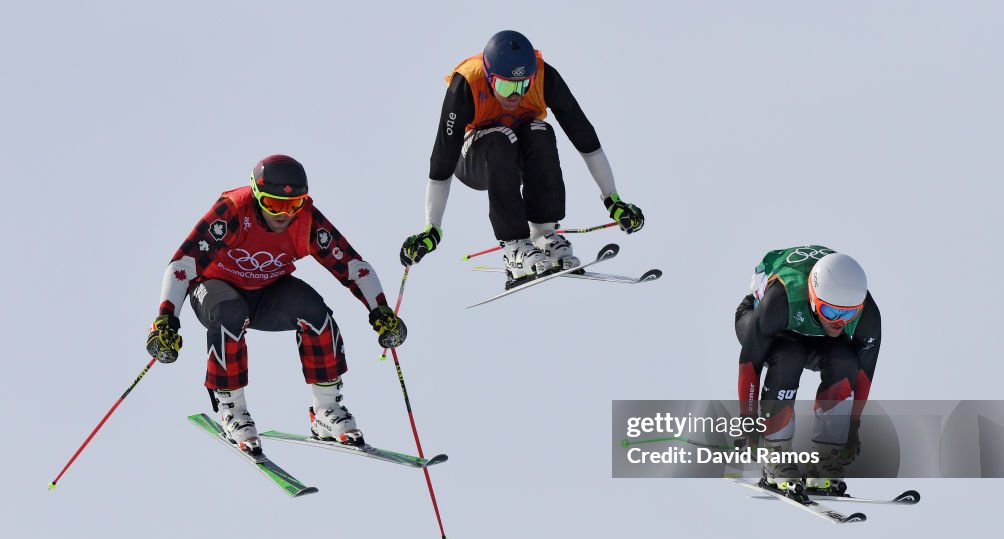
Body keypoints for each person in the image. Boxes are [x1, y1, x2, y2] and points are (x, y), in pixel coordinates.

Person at [146, 155, 407, 455]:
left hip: (266, 291)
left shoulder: (307, 221)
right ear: (257, 196)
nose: (284, 214)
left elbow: (352, 266)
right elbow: (182, 265)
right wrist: (166, 319)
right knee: (231, 314)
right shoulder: (233, 211)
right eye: (274, 204)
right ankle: (233, 410)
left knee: (315, 313)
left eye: (293, 205)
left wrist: (380, 311)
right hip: (214, 287)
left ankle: (326, 410)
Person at [399, 29, 645, 285]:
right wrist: (432, 228)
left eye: (523, 85)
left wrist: (613, 199)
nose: (515, 96)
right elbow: (442, 160)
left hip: (517, 155)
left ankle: (544, 233)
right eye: (506, 86)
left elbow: (585, 138)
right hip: (474, 159)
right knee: (502, 137)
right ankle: (514, 246)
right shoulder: (467, 84)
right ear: (489, 77)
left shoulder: (544, 76)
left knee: (540, 131)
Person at [734, 246, 881, 496]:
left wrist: (853, 427)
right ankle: (775, 452)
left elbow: (864, 376)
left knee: (845, 361)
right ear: (813, 296)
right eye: (831, 311)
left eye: (849, 314)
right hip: (765, 320)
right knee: (789, 354)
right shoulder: (780, 299)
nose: (839, 321)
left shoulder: (867, 313)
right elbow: (750, 362)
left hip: (813, 331)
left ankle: (825, 458)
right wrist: (747, 417)